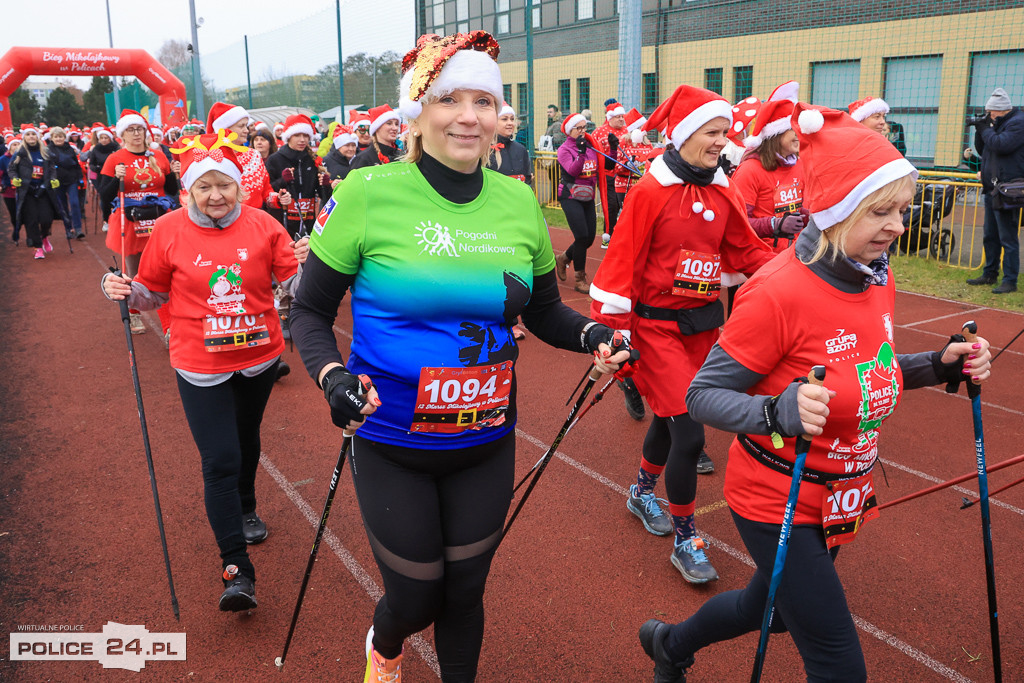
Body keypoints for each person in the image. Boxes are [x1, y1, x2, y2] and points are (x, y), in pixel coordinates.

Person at [289, 31, 629, 683]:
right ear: (420, 110)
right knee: (417, 595)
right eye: (449, 99)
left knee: (466, 590)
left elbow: (543, 311)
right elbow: (307, 312)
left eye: (484, 100)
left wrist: (593, 336)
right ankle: (385, 644)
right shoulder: (367, 193)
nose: (469, 115)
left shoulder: (518, 200)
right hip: (390, 438)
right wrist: (332, 376)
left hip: (485, 438)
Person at [637, 103, 994, 683]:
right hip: (777, 500)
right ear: (836, 210)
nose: (898, 226)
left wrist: (938, 365)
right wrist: (777, 410)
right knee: (837, 662)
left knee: (767, 610)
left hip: (839, 497)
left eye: (902, 210)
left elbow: (869, 369)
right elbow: (701, 396)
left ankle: (670, 644)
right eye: (882, 211)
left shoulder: (876, 274)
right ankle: (672, 645)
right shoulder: (778, 292)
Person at [100, 132, 300, 613]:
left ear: (238, 188)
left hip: (257, 356)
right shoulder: (168, 230)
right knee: (219, 459)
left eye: (224, 186)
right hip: (199, 362)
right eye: (204, 186)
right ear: (188, 189)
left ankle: (247, 504)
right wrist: (120, 289)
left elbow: (292, 281)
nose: (215, 196)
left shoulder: (265, 225)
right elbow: (151, 294)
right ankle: (237, 570)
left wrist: (315, 266)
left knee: (247, 437)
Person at [588, 85, 775, 583]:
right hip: (654, 331)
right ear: (688, 133)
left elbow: (746, 250)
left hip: (702, 328)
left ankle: (642, 491)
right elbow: (622, 260)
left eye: (725, 133)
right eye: (713, 132)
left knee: (671, 421)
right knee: (690, 431)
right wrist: (615, 334)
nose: (722, 141)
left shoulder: (720, 187)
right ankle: (687, 536)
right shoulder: (652, 191)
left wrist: (802, 269)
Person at [99, 110, 180, 333]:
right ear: (122, 135)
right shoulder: (115, 158)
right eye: (131, 130)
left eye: (139, 129)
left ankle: (169, 327)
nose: (136, 133)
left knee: (166, 270)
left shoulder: (158, 156)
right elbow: (105, 195)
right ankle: (133, 313)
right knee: (133, 272)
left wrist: (173, 174)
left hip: (159, 218)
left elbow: (171, 190)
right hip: (130, 221)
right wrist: (117, 178)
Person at [731, 96, 808, 253]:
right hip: (761, 257)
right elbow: (737, 224)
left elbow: (801, 212)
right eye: (793, 129)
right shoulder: (750, 170)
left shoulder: (800, 164)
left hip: (798, 253)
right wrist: (775, 224)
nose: (798, 134)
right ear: (775, 134)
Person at [966, 87, 1024, 294]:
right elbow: (984, 149)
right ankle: (989, 273)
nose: (989, 115)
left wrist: (986, 129)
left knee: (1007, 237)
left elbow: (1001, 145)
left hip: (1008, 190)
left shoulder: (1018, 123)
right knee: (990, 235)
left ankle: (1010, 280)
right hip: (992, 187)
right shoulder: (997, 123)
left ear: (1001, 110)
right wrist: (980, 130)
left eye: (991, 112)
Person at [487, 101, 534, 340]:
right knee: (499, 271)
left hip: (518, 217)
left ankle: (518, 316)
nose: (509, 123)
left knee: (517, 269)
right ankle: (506, 321)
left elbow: (527, 182)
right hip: (495, 219)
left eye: (512, 119)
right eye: (504, 119)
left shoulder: (521, 150)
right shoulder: (486, 151)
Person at [554, 112, 600, 294]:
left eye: (584, 127)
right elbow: (572, 171)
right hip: (570, 195)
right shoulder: (564, 149)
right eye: (578, 128)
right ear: (569, 131)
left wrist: (612, 149)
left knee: (589, 238)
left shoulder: (590, 146)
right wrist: (580, 153)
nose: (582, 131)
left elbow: (605, 166)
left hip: (587, 196)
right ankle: (580, 279)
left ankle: (564, 258)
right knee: (581, 236)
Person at [9, 124, 65, 260]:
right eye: (28, 135)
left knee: (46, 218)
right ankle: (38, 247)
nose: (31, 137)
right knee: (31, 220)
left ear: (37, 136)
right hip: (27, 192)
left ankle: (44, 236)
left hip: (44, 190)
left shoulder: (45, 152)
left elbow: (52, 169)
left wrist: (53, 180)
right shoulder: (20, 153)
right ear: (24, 137)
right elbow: (11, 169)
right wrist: (15, 179)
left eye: (33, 134)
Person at [265, 113, 323, 239]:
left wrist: (326, 184)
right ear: (289, 136)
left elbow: (322, 194)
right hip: (283, 223)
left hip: (309, 223)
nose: (302, 140)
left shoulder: (313, 160)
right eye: (297, 135)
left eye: (306, 136)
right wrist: (283, 181)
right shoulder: (275, 159)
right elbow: (267, 192)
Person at [592, 102, 630, 237]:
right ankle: (608, 235)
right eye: (618, 116)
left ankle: (622, 235)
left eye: (622, 116)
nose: (621, 119)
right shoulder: (599, 132)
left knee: (625, 206)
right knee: (611, 206)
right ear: (610, 117)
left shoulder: (627, 131)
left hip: (625, 175)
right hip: (606, 175)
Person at [47, 127, 85, 240]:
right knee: (62, 206)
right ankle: (68, 229)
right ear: (52, 138)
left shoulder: (69, 148)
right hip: (57, 181)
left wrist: (80, 178)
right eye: (56, 137)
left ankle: (78, 228)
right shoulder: (48, 150)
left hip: (71, 179)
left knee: (74, 203)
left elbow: (76, 164)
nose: (58, 139)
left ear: (64, 137)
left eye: (61, 136)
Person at [88, 125, 120, 232]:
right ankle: (106, 220)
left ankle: (117, 218)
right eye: (101, 138)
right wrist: (98, 168)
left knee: (116, 197)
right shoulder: (96, 149)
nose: (104, 140)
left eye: (106, 138)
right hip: (100, 177)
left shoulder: (116, 148)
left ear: (110, 138)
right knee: (104, 198)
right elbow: (91, 164)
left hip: (115, 176)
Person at [349, 104, 403, 170]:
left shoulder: (402, 156)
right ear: (377, 128)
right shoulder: (364, 158)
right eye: (389, 123)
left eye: (396, 124)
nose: (395, 128)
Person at [1, 136, 21, 243]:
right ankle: (16, 230)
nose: (16, 147)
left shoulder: (24, 157)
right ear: (9, 147)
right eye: (14, 144)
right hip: (9, 191)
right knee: (14, 213)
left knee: (24, 212)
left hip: (23, 190)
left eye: (18, 144)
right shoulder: (3, 159)